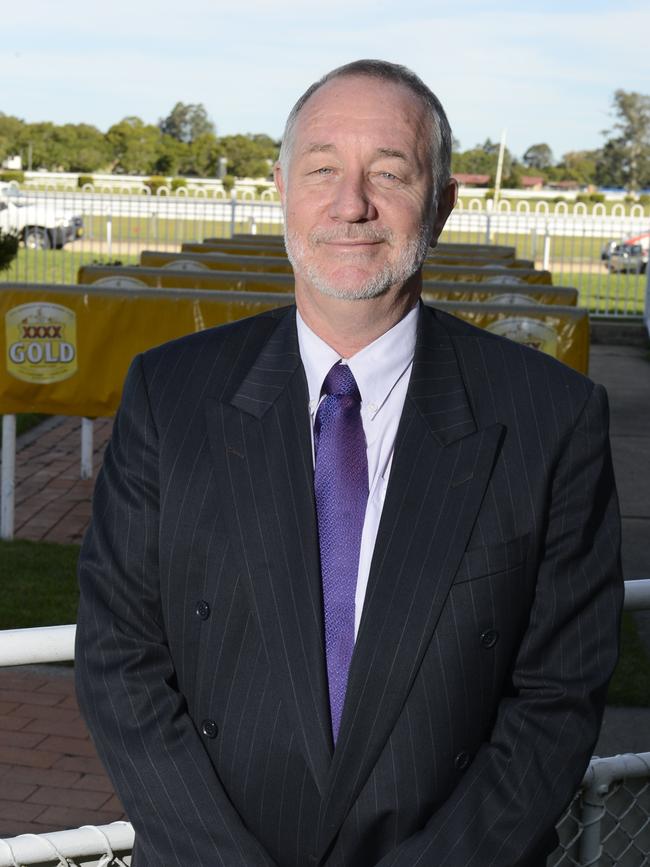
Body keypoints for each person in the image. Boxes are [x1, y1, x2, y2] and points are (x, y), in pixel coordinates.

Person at [75, 59, 623, 867]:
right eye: (323, 169)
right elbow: (119, 655)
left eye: (389, 174)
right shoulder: (171, 392)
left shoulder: (551, 418)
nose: (351, 205)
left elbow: (557, 701)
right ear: (281, 185)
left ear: (441, 203)